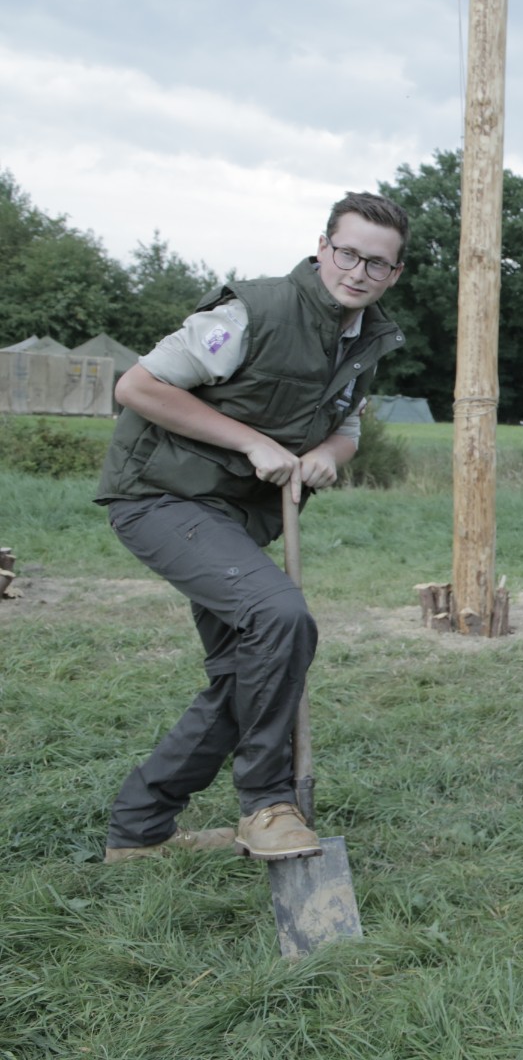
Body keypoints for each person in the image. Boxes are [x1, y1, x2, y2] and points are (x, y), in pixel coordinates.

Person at [96, 191, 410, 863]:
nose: (358, 273)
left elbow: (347, 428)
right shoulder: (253, 311)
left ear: (395, 273)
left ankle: (140, 828)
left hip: (236, 517)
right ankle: (267, 804)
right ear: (322, 248)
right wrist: (251, 442)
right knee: (280, 619)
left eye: (377, 264)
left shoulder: (365, 340)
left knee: (251, 668)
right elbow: (138, 388)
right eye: (347, 254)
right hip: (161, 496)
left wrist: (328, 455)